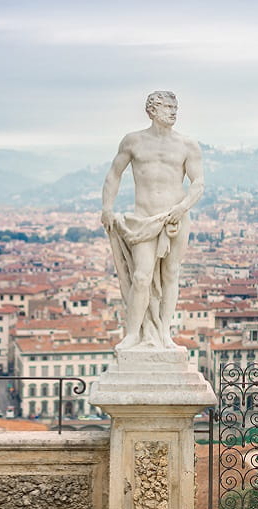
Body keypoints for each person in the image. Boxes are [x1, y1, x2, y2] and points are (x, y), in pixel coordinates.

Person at [100, 91, 204, 350]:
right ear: (152, 110)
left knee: (171, 273)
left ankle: (164, 332)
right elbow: (114, 174)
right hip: (144, 219)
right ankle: (134, 333)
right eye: (167, 106)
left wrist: (182, 208)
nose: (173, 111)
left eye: (175, 107)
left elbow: (198, 183)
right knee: (141, 276)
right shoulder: (133, 141)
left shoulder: (187, 144)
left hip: (175, 219)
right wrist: (107, 208)